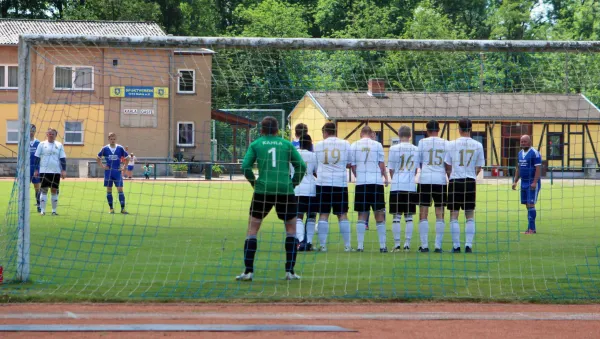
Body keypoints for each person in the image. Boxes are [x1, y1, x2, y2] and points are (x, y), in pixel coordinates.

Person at [237, 116, 306, 281]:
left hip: (263, 190)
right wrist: (293, 183)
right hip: (285, 190)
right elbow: (301, 166)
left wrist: (255, 182)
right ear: (277, 130)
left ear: (261, 130)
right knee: (291, 230)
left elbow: (245, 167)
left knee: (252, 230)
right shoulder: (287, 144)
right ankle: (290, 271)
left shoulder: (256, 144)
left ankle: (248, 271)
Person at [445, 118, 485, 253]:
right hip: (470, 181)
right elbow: (479, 167)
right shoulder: (478, 145)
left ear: (459, 129)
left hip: (455, 181)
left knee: (454, 215)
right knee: (469, 215)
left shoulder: (451, 144)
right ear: (471, 128)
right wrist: (471, 173)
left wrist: (452, 175)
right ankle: (468, 245)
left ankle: (456, 246)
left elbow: (448, 166)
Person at [314, 122, 353, 252]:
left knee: (323, 214)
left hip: (322, 183)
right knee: (342, 215)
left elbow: (315, 165)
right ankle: (347, 246)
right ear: (335, 131)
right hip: (339, 184)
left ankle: (323, 246)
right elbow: (349, 164)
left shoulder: (318, 145)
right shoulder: (345, 144)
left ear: (325, 132)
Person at [350, 125, 389, 252]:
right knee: (379, 213)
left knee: (362, 214)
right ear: (371, 133)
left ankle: (360, 246)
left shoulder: (354, 145)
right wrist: (385, 177)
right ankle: (382, 246)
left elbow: (353, 167)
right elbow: (382, 165)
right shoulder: (377, 145)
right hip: (376, 183)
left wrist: (358, 176)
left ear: (361, 134)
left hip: (362, 183)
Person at [417, 120, 450, 253]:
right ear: (439, 129)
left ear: (427, 130)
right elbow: (447, 163)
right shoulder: (445, 143)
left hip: (425, 179)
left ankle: (424, 246)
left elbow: (418, 161)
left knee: (423, 213)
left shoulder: (422, 142)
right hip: (440, 180)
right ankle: (438, 246)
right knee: (440, 213)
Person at [388, 126, 420, 252]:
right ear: (410, 135)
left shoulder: (393, 149)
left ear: (398, 134)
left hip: (396, 185)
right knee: (409, 217)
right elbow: (417, 168)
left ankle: (397, 245)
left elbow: (391, 169)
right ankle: (407, 244)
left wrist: (395, 178)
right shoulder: (416, 149)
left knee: (396, 217)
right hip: (410, 187)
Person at [512, 135, 542, 234]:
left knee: (531, 204)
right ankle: (530, 228)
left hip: (532, 182)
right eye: (521, 141)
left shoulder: (535, 153)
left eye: (525, 141)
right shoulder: (520, 153)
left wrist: (534, 182)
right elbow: (518, 168)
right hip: (523, 182)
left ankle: (532, 229)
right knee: (527, 205)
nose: (522, 143)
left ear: (529, 142)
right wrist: (515, 181)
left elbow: (538, 169)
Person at [33, 128, 67, 216]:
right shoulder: (41, 144)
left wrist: (63, 170)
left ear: (56, 135)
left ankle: (54, 211)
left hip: (56, 171)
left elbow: (62, 158)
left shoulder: (59, 145)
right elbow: (36, 158)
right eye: (49, 133)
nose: (51, 135)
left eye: (53, 134)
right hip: (44, 171)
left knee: (54, 190)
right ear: (47, 134)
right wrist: (36, 170)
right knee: (43, 190)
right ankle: (42, 211)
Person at [295, 134, 318, 251]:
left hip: (297, 188)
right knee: (311, 216)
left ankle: (300, 241)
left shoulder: (293, 154)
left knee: (298, 216)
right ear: (310, 144)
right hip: (310, 189)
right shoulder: (313, 156)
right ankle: (308, 242)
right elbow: (316, 172)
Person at [96, 133, 129, 214]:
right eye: (111, 139)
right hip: (108, 172)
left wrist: (124, 167)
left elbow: (127, 158)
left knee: (120, 189)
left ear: (116, 139)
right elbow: (98, 157)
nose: (113, 140)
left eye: (114, 139)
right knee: (109, 190)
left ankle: (123, 209)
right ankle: (111, 208)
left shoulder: (120, 148)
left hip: (117, 171)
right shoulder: (105, 148)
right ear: (109, 139)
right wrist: (103, 166)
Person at [29, 124, 42, 213]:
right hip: (26, 168)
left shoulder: (38, 143)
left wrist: (37, 169)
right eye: (30, 131)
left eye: (33, 131)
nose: (31, 133)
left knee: (37, 187)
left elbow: (40, 157)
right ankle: (23, 206)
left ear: (35, 132)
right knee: (24, 188)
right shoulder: (24, 142)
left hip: (35, 168)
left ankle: (39, 205)